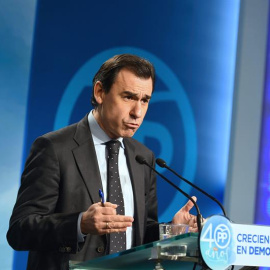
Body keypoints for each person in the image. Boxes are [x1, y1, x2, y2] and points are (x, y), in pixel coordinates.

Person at [7, 54, 198, 269]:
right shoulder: (54, 148)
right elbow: (19, 230)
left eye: (145, 100)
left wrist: (172, 230)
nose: (138, 112)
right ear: (100, 92)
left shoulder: (143, 157)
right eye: (128, 97)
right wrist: (80, 224)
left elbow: (141, 233)